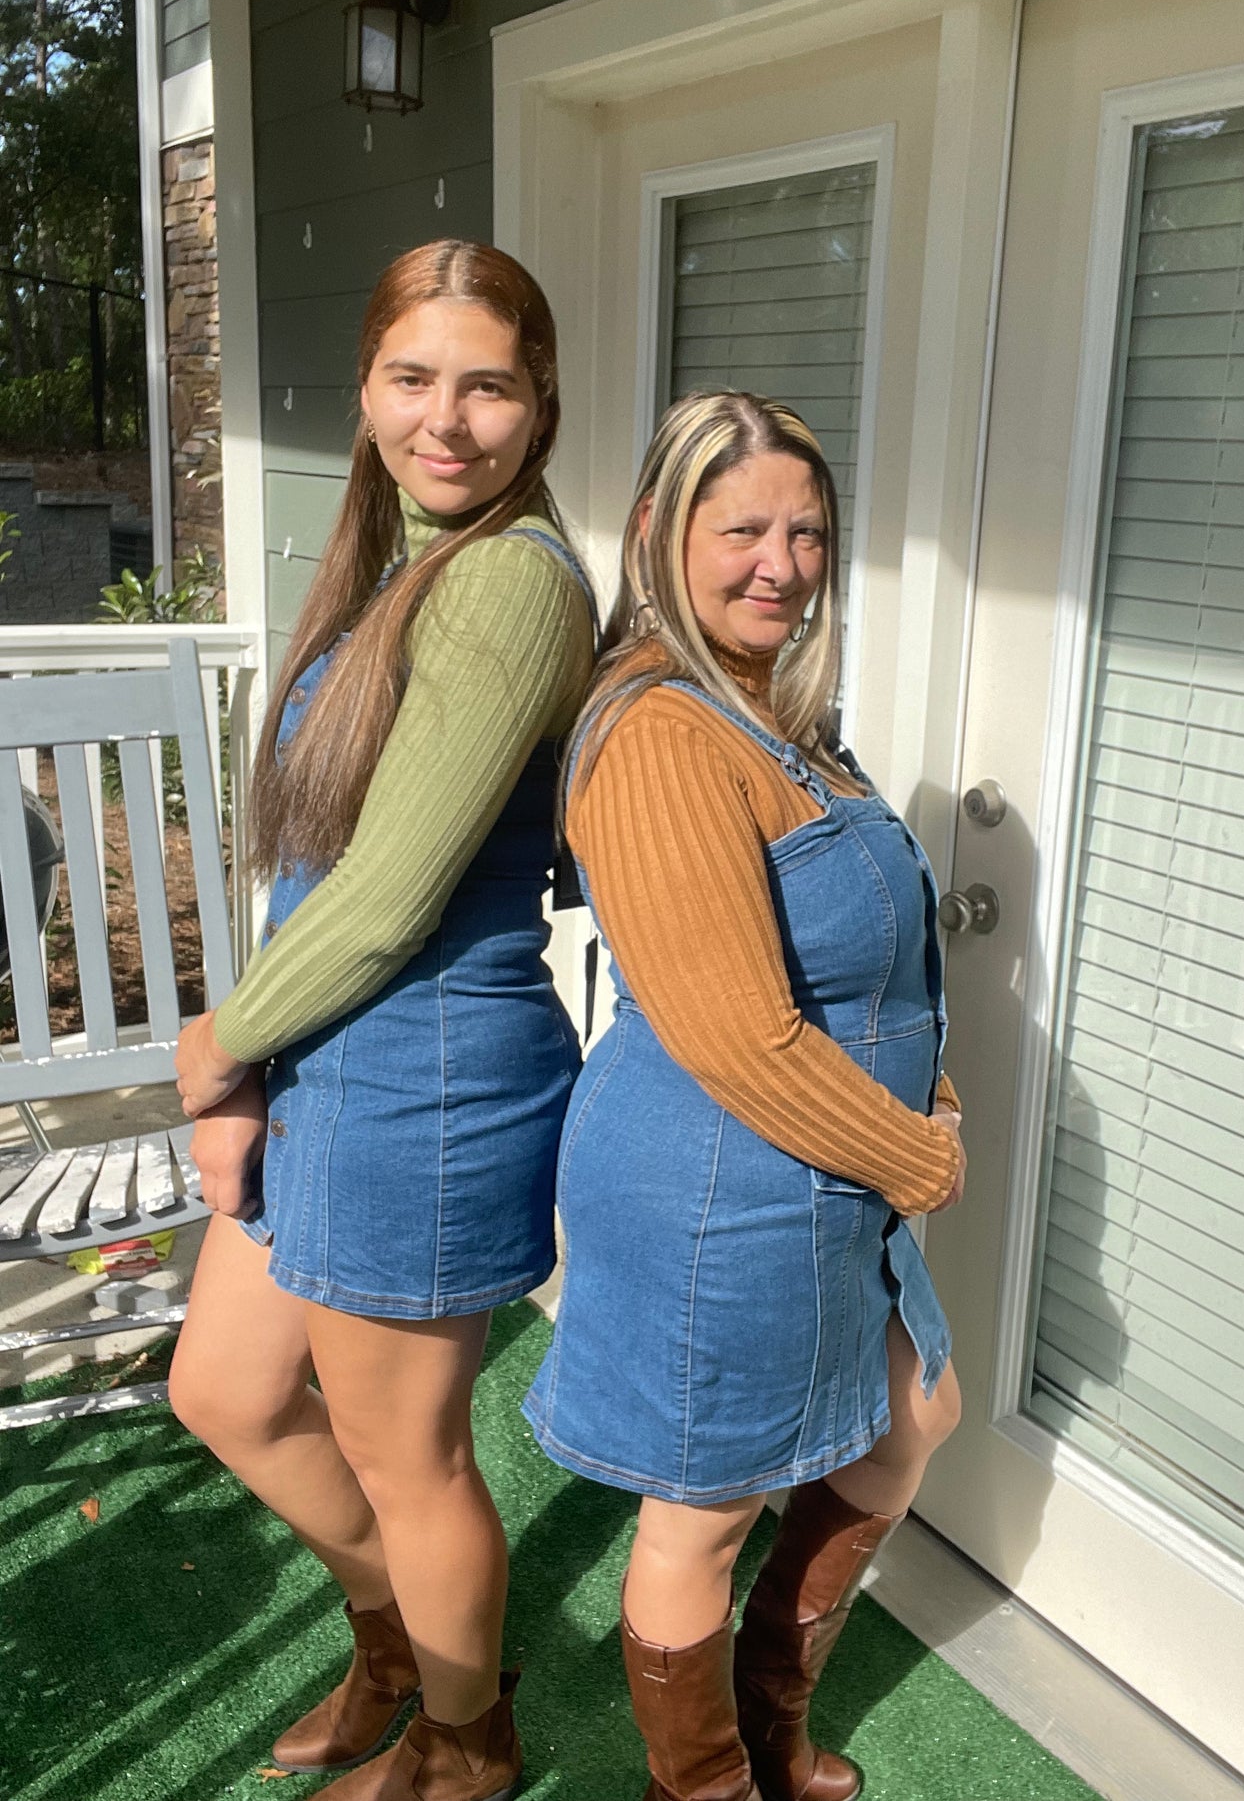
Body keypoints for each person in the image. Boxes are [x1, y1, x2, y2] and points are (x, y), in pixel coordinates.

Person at [169, 240, 594, 1801]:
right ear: (364, 389)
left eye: (488, 385)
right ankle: (402, 1647)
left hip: (421, 1070)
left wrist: (216, 1049)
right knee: (220, 1390)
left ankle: (465, 1745)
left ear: (540, 405)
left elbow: (385, 892)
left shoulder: (506, 583)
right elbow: (319, 865)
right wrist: (260, 1061)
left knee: (406, 1461)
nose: (447, 418)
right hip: (332, 1053)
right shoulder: (397, 557)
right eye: (414, 378)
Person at [523, 391, 965, 1801]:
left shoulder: (770, 714)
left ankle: (767, 1721)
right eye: (742, 530)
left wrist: (926, 1081)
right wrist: (919, 1155)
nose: (780, 562)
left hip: (830, 1173)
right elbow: (737, 1039)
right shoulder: (660, 731)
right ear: (658, 532)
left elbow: (866, 960)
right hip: (724, 1183)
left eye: (807, 530)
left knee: (913, 1421)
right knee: (701, 1513)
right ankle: (701, 1782)